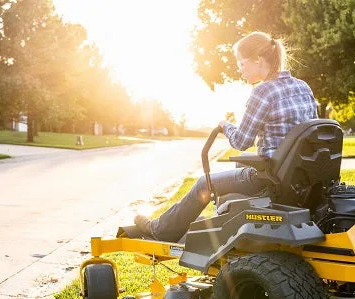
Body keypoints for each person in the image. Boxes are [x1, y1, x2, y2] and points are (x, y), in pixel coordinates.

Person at [134, 31, 318, 242]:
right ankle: (221, 223)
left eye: (241, 64)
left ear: (258, 60)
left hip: (271, 178)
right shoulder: (302, 87)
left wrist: (225, 126)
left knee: (204, 182)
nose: (240, 70)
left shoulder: (263, 92)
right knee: (238, 169)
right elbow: (309, 133)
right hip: (297, 177)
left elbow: (241, 142)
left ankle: (160, 230)